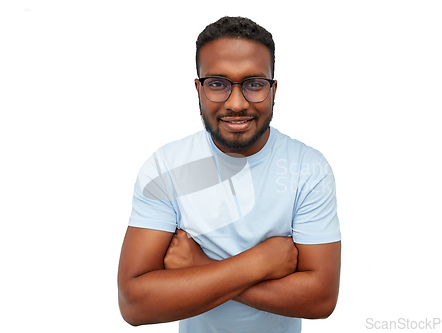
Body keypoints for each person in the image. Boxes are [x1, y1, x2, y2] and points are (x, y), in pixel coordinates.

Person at [118, 16, 341, 333]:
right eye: (218, 84)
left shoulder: (308, 168)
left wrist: (201, 268)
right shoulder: (165, 167)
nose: (237, 104)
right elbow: (134, 305)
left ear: (273, 89)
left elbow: (320, 300)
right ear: (198, 88)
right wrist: (260, 263)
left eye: (254, 84)